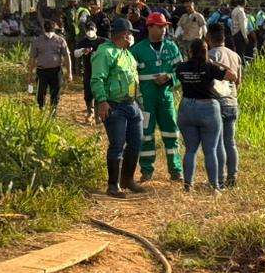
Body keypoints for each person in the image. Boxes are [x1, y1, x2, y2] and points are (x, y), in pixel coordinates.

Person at [91, 18, 145, 198]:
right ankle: (113, 185)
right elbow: (97, 79)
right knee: (117, 145)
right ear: (124, 34)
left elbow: (134, 78)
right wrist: (102, 101)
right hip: (115, 106)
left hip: (132, 104)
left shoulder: (127, 54)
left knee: (136, 143)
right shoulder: (105, 53)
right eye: (130, 34)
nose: (131, 37)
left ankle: (127, 179)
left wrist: (140, 101)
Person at [174, 39, 236, 192]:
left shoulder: (181, 67)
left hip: (187, 107)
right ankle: (215, 186)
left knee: (190, 150)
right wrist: (219, 64)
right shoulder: (209, 67)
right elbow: (233, 76)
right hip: (208, 107)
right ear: (205, 52)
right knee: (210, 150)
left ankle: (188, 185)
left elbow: (179, 77)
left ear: (190, 52)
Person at [131, 13, 183, 183]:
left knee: (171, 134)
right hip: (145, 101)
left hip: (166, 99)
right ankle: (146, 171)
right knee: (146, 135)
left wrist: (169, 77)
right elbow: (130, 76)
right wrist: (135, 98)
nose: (164, 29)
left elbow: (181, 72)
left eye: (165, 26)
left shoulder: (172, 47)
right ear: (150, 27)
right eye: (160, 26)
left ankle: (176, 170)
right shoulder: (137, 50)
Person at [206, 23, 242, 188]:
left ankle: (219, 178)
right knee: (230, 142)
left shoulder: (210, 56)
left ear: (208, 38)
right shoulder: (235, 56)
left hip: (216, 101)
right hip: (232, 101)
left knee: (217, 143)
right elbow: (238, 81)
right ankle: (232, 177)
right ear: (224, 38)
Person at [29, 20, 72, 113]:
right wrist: (30, 74)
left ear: (54, 29)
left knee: (55, 93)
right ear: (44, 29)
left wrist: (69, 73)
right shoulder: (37, 41)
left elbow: (67, 57)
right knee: (41, 92)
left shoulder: (60, 40)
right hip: (42, 71)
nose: (49, 32)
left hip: (56, 71)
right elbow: (32, 58)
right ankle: (41, 110)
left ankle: (53, 112)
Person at [73, 19, 105, 122]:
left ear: (96, 29)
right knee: (88, 92)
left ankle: (97, 114)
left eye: (92, 29)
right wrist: (83, 50)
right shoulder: (83, 42)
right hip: (88, 70)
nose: (90, 31)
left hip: (100, 71)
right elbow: (75, 53)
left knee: (99, 91)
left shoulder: (102, 41)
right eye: (88, 29)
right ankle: (90, 112)